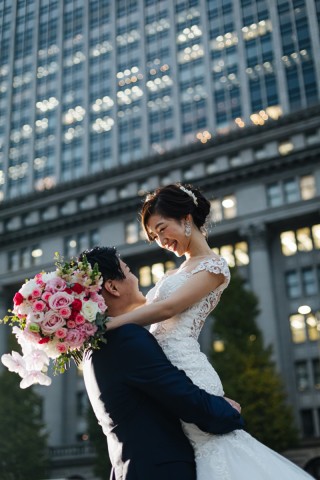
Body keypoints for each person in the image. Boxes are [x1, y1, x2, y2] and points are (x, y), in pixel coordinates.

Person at [106, 184, 314, 480]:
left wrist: (107, 326)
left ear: (186, 217)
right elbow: (138, 308)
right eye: (155, 237)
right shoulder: (175, 272)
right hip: (163, 370)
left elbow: (167, 309)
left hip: (187, 370)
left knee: (215, 452)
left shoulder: (215, 268)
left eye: (163, 229)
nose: (162, 241)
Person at [81, 246, 244, 480]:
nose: (135, 278)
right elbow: (182, 395)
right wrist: (228, 412)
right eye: (128, 271)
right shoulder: (126, 338)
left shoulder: (94, 347)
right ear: (112, 287)